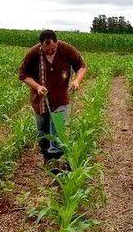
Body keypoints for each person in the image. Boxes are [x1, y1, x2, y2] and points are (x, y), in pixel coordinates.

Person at [18, 29, 86, 165]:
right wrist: (37, 87)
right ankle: (46, 155)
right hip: (40, 99)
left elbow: (81, 66)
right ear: (41, 45)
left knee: (57, 128)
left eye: (52, 49)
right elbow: (23, 74)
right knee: (42, 129)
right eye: (46, 49)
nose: (49, 51)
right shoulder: (33, 53)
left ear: (56, 42)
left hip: (60, 97)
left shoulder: (66, 49)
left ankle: (56, 159)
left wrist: (77, 81)